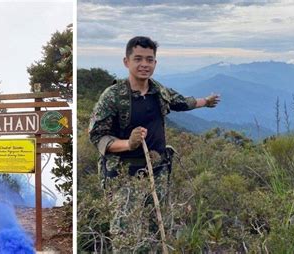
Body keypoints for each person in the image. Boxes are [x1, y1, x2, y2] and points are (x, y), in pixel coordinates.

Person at [88, 36, 220, 251]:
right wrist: (128, 144)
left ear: (155, 63)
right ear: (126, 62)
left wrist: (205, 102)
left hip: (157, 172)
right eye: (138, 59)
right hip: (123, 176)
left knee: (156, 231)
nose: (144, 64)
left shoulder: (159, 91)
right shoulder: (112, 96)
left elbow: (181, 102)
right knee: (125, 236)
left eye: (149, 60)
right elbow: (97, 136)